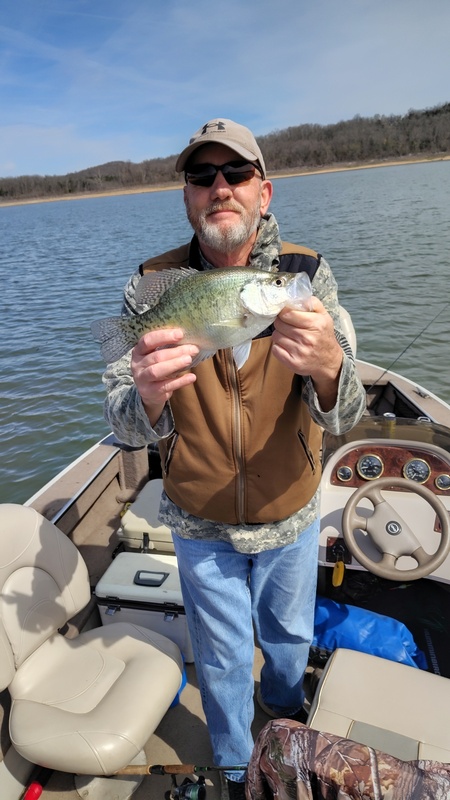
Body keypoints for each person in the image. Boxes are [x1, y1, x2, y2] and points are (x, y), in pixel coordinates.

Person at [100, 118, 366, 800]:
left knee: (286, 639)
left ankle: (285, 720)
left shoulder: (305, 276)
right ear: (187, 198)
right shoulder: (152, 288)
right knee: (219, 660)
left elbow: (350, 411)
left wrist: (332, 369)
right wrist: (149, 402)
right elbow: (124, 427)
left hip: (292, 515)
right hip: (199, 522)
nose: (220, 188)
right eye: (201, 176)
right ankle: (233, 768)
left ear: (264, 191)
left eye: (236, 174)